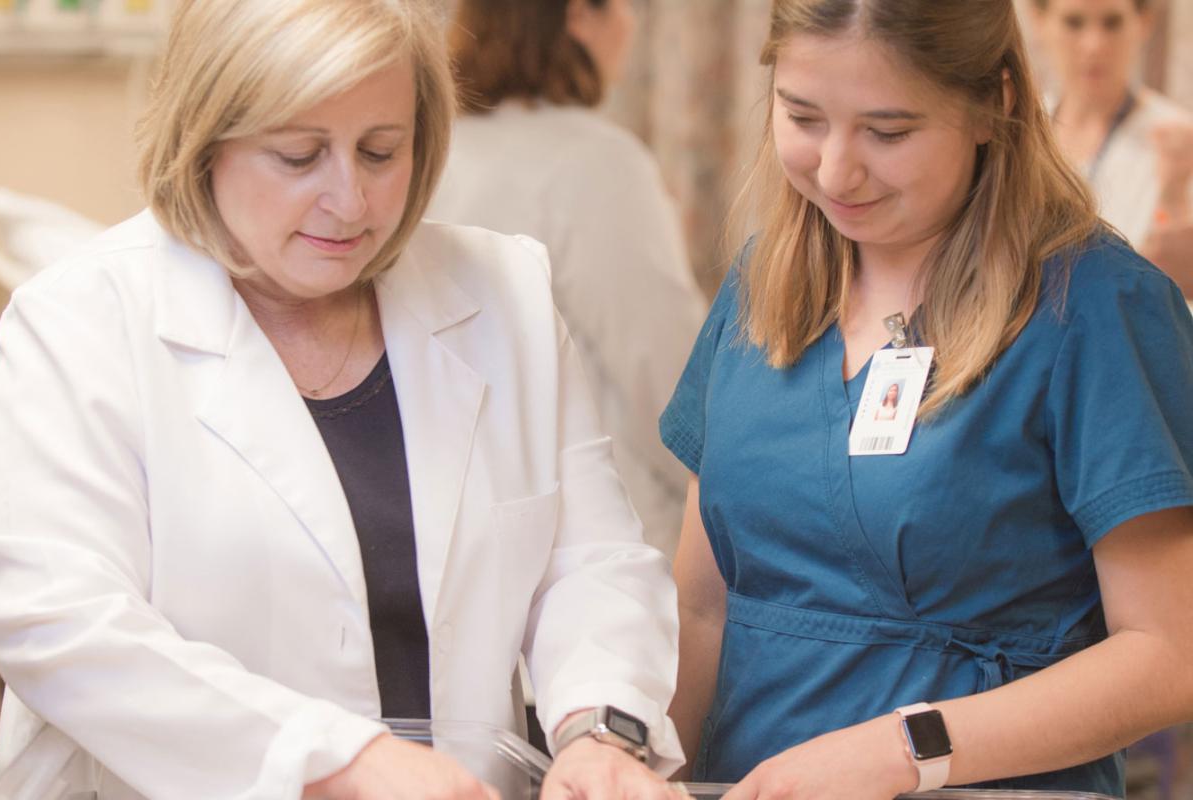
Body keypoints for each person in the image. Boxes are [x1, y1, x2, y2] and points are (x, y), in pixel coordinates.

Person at [0, 1, 685, 798]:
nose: (350, 200)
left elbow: (590, 561)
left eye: (381, 151)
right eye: (298, 156)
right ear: (203, 140)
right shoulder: (79, 323)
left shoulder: (503, 295)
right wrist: (336, 763)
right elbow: (65, 624)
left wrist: (599, 731)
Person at [662, 1, 1193, 798]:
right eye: (803, 116)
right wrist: (640, 761)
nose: (836, 171)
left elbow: (1168, 652)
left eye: (888, 132)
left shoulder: (1094, 309)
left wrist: (904, 753)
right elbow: (702, 607)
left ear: (995, 104)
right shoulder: (760, 288)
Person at [428, 0, 708, 560]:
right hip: (596, 536)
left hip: (457, 530)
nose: (630, 25)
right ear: (579, 14)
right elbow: (669, 379)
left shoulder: (431, 152)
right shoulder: (597, 163)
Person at [1032, 0, 1193, 295]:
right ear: (1039, 21)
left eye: (1112, 23)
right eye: (1074, 22)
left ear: (1143, 23)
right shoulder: (1019, 132)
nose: (1094, 45)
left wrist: (1176, 200)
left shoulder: (1181, 143)